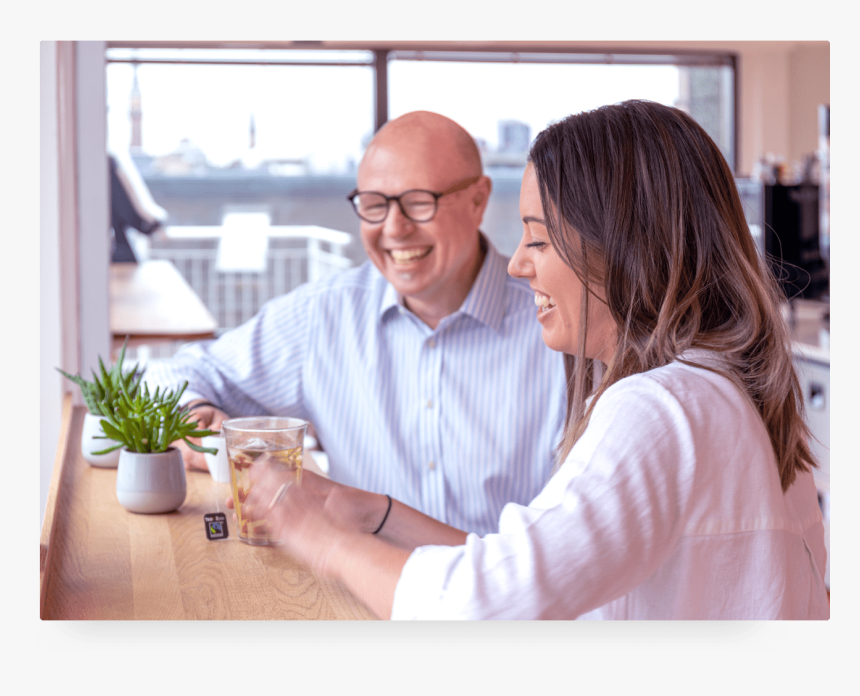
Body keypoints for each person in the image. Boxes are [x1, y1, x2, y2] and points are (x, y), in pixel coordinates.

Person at [238, 100, 830, 620]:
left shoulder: (657, 410)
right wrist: (376, 513)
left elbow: (477, 607)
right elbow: (529, 572)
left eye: (539, 239)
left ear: (618, 250)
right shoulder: (718, 388)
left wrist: (323, 540)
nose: (519, 265)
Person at [143, 111, 567, 536]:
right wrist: (197, 415)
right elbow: (171, 375)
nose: (394, 229)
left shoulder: (558, 328)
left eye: (419, 202)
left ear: (479, 200)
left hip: (514, 598)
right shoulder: (324, 317)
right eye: (374, 205)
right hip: (356, 597)